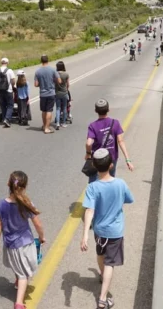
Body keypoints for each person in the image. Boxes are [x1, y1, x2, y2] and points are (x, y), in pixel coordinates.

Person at [81, 148, 134, 309]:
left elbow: (89, 211)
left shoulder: (92, 188)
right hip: (115, 232)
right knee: (110, 263)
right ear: (111, 165)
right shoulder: (120, 184)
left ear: (95, 167)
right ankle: (103, 299)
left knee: (100, 254)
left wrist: (85, 236)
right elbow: (129, 199)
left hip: (99, 231)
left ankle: (103, 276)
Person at [0, 171, 46, 309]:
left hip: (10, 244)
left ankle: (17, 281)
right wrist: (42, 236)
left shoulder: (1, 204)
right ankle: (19, 303)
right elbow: (37, 223)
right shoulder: (26, 204)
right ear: (25, 186)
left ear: (8, 184)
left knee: (18, 265)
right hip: (24, 244)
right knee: (24, 274)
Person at [85, 99, 134, 183]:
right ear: (108, 110)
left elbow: (89, 143)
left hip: (98, 159)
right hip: (111, 158)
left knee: (94, 184)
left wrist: (88, 154)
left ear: (96, 111)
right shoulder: (115, 123)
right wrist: (128, 160)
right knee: (109, 181)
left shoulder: (92, 126)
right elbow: (121, 141)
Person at [34, 54, 61, 134]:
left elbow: (36, 84)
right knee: (49, 110)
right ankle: (47, 128)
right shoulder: (52, 70)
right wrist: (53, 81)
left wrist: (41, 84)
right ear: (48, 60)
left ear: (41, 61)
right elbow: (59, 81)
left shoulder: (38, 71)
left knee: (43, 110)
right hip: (51, 93)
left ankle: (44, 125)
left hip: (42, 94)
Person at [0, 58, 16, 128]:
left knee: (2, 104)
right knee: (10, 105)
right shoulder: (9, 71)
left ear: (1, 63)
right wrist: (12, 86)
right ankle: (7, 119)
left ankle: (4, 117)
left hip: (0, 90)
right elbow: (13, 80)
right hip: (8, 90)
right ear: (7, 63)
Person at [54, 61, 70, 130]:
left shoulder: (55, 74)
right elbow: (68, 84)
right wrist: (66, 90)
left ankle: (57, 123)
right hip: (64, 93)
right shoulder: (66, 74)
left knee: (58, 108)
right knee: (64, 108)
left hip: (57, 93)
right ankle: (63, 123)